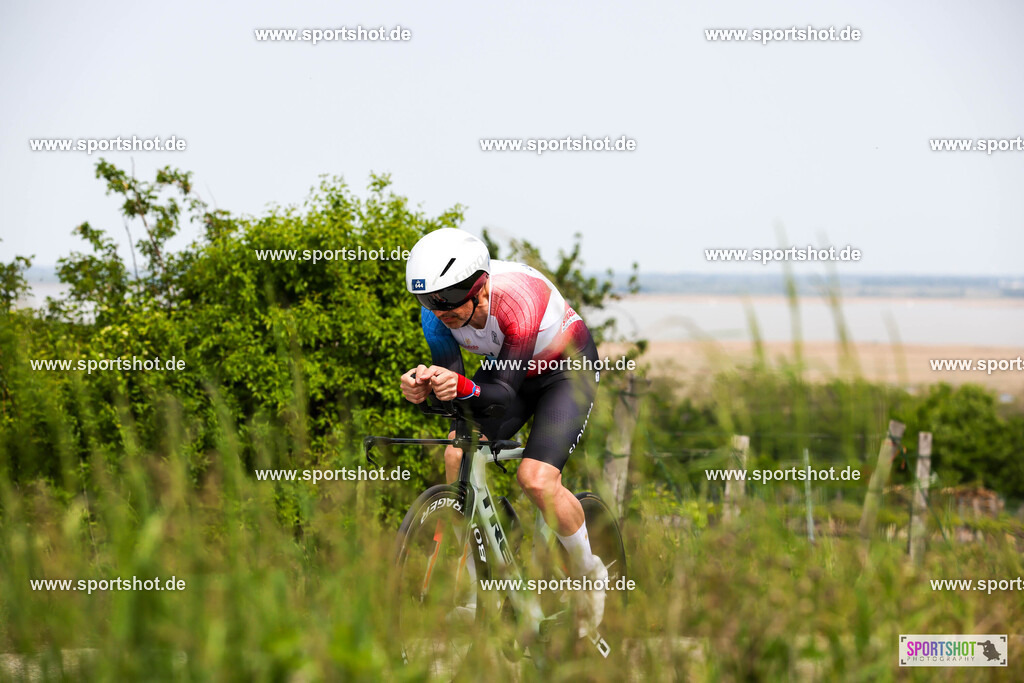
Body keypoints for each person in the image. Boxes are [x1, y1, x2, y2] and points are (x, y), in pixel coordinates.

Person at [399, 228, 606, 637]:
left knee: (536, 477)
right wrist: (425, 388)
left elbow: (501, 394)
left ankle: (589, 576)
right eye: (428, 301)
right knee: (457, 454)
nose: (439, 311)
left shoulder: (518, 300)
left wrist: (460, 387)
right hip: (508, 370)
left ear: (479, 286)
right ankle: (478, 592)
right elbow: (461, 391)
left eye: (448, 299)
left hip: (564, 372)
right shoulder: (437, 316)